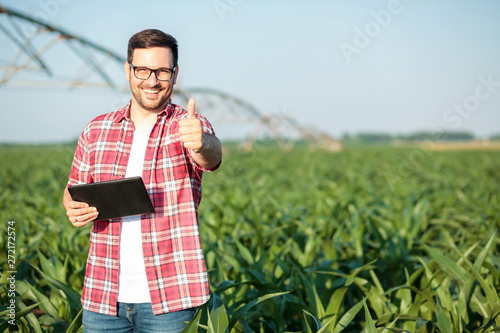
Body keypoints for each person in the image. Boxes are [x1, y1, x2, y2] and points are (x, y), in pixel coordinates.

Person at [62, 29, 222, 332]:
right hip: (103, 299)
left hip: (170, 300)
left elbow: (211, 157)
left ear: (175, 74)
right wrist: (73, 207)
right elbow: (73, 190)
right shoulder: (96, 130)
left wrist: (201, 143)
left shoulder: (189, 125)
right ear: (128, 70)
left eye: (162, 71)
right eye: (143, 70)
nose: (152, 81)